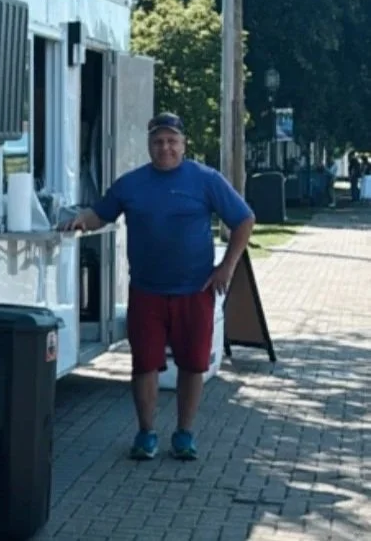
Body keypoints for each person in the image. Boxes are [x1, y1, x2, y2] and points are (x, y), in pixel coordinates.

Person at [59, 112, 255, 461]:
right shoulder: (132, 184)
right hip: (147, 291)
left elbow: (244, 219)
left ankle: (184, 434)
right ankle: (146, 433)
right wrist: (78, 222)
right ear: (149, 145)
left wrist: (227, 267)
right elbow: (101, 213)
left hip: (195, 291)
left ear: (183, 144)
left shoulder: (205, 179)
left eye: (171, 141)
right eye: (158, 141)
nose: (165, 147)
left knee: (193, 365)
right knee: (144, 364)